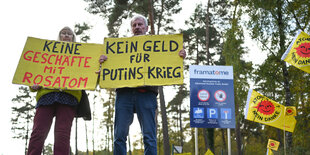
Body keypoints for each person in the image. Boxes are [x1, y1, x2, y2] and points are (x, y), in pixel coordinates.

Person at [99, 14, 186, 155]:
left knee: (149, 137)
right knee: (119, 136)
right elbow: (108, 68)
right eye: (134, 25)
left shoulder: (156, 46)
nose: (137, 27)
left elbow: (168, 61)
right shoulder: (119, 48)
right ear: (131, 29)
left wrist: (178, 55)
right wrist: (104, 60)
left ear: (146, 27)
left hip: (146, 95)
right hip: (124, 94)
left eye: (140, 24)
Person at [27, 26, 90, 155]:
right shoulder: (47, 54)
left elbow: (89, 74)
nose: (66, 36)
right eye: (63, 33)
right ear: (59, 36)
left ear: (73, 38)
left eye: (69, 34)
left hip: (69, 96)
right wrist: (32, 85)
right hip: (47, 96)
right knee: (38, 132)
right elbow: (34, 74)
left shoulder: (82, 57)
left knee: (63, 134)